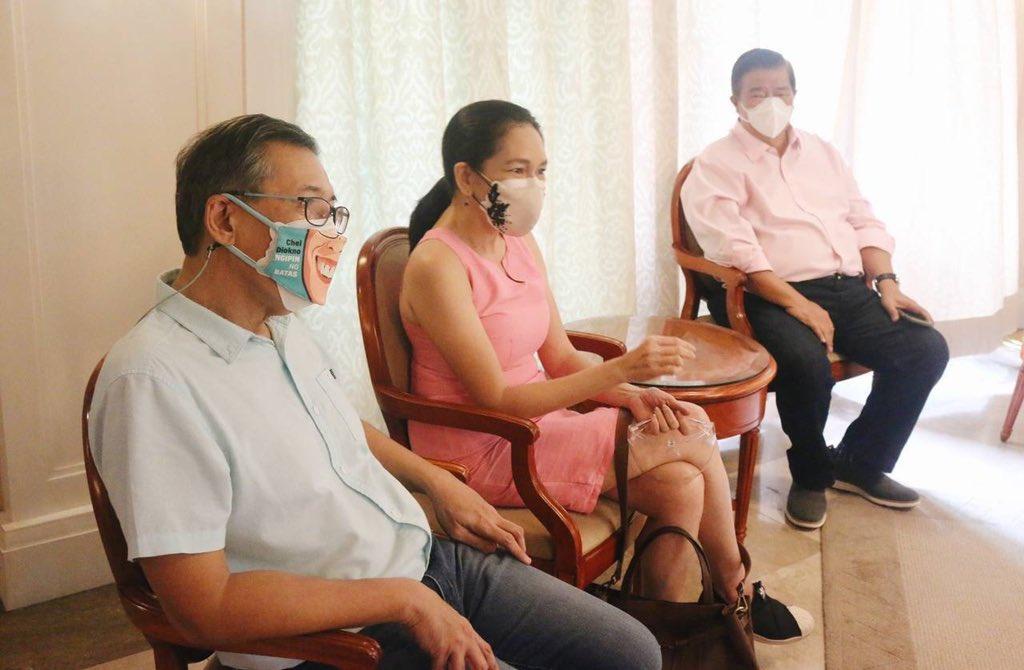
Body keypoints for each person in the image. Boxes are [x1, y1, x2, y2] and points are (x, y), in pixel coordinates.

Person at [89, 114, 667, 670]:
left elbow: (337, 421)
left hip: (422, 562)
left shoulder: (282, 326)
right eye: (309, 207)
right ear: (224, 219)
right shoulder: (152, 382)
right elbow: (203, 608)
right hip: (340, 633)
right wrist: (403, 602)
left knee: (632, 653)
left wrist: (435, 481)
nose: (328, 231)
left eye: (332, 211)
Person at [402, 99, 813, 644]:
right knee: (691, 428)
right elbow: (496, 397)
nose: (534, 184)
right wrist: (622, 369)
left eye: (541, 170)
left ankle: (657, 634)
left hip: (538, 422)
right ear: (466, 176)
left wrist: (628, 394)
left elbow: (560, 358)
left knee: (680, 483)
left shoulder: (517, 243)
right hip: (484, 445)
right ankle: (734, 591)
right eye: (517, 171)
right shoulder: (438, 264)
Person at [681, 49, 949, 530]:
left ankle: (859, 462)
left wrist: (887, 281)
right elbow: (735, 250)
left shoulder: (823, 152)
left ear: (794, 96)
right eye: (756, 93)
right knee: (804, 363)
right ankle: (810, 474)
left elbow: (863, 219)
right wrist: (798, 303)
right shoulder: (716, 164)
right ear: (735, 101)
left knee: (924, 349)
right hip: (763, 292)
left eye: (779, 91)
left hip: (845, 286)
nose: (770, 101)